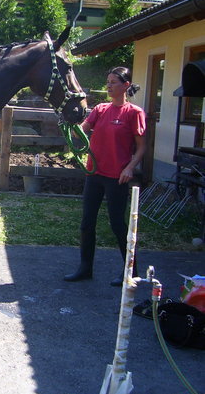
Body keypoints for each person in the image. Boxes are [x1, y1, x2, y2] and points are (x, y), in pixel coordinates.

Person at [64, 67, 146, 286]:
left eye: (113, 82)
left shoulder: (134, 113)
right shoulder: (100, 109)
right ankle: (85, 268)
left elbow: (141, 148)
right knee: (86, 224)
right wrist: (70, 123)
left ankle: (131, 271)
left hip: (117, 177)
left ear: (125, 85)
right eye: (107, 82)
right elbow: (81, 130)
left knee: (118, 224)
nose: (108, 86)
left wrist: (130, 168)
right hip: (94, 173)